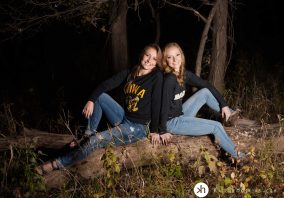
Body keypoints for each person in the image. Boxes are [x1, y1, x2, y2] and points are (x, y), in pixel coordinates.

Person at [35, 44, 163, 174]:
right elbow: (107, 84)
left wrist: (154, 131)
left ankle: (55, 164)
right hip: (124, 117)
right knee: (100, 97)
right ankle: (88, 134)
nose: (149, 60)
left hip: (137, 128)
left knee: (96, 140)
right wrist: (91, 100)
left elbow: (157, 103)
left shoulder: (156, 77)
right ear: (142, 54)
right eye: (148, 55)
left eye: (154, 59)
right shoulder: (131, 72)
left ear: (157, 62)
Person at [158, 42, 245, 159]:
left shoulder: (184, 74)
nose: (174, 59)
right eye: (170, 57)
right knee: (216, 126)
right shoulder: (169, 79)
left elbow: (207, 85)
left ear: (182, 56)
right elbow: (162, 106)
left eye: (177, 55)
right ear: (165, 61)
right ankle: (241, 158)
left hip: (181, 114)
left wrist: (223, 105)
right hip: (171, 122)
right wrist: (163, 131)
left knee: (205, 92)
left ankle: (230, 116)